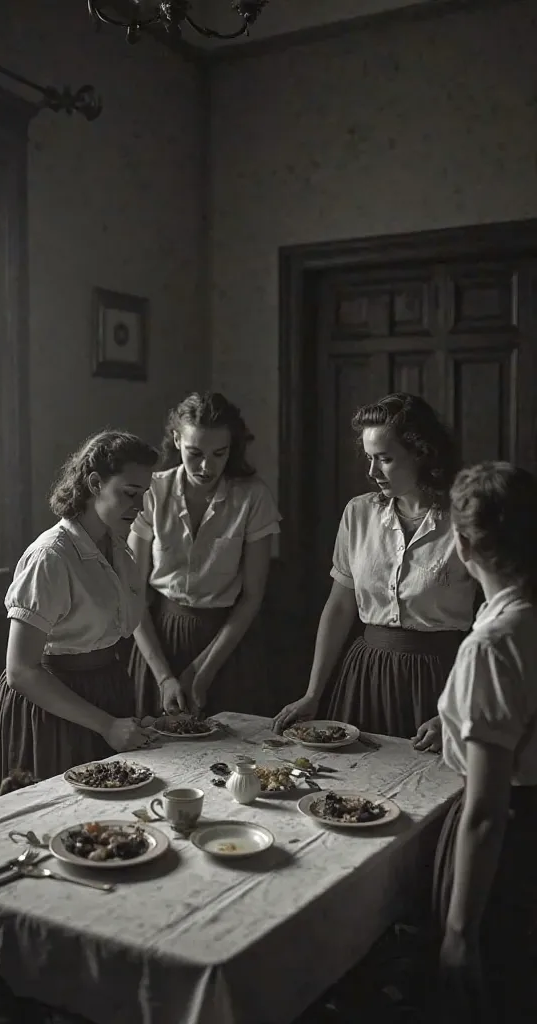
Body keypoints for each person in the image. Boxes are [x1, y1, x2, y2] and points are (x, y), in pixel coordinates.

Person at [273, 393, 476, 741]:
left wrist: (457, 708)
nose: (371, 472)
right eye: (369, 458)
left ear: (421, 454)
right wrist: (313, 693)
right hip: (366, 675)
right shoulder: (359, 513)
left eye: (384, 459)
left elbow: (489, 622)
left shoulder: (465, 521)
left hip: (440, 678)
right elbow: (339, 607)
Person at [0, 430, 158, 799]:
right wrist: (105, 724)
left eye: (143, 494)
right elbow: (21, 670)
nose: (139, 506)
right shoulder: (51, 556)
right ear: (95, 483)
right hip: (54, 707)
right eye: (129, 493)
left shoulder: (117, 549)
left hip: (106, 690)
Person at [433, 462, 537, 1022]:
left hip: (511, 850)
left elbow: (486, 815)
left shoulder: (495, 644)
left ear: (463, 545)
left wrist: (458, 931)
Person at [128, 391, 280, 718]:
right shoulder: (152, 491)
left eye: (219, 454)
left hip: (227, 644)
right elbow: (133, 595)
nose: (207, 466)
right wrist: (165, 677)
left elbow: (252, 597)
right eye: (194, 453)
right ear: (176, 440)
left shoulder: (254, 498)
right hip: (159, 644)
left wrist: (204, 670)